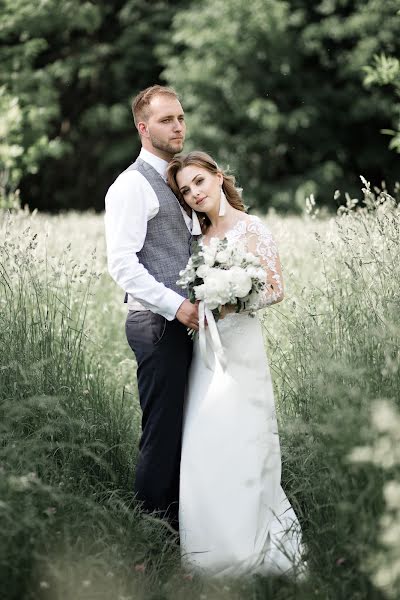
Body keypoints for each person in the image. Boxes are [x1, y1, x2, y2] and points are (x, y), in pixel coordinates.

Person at [167, 151, 304, 576]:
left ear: (217, 177)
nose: (194, 194)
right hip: (208, 352)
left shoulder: (251, 227)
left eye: (198, 182)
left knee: (246, 439)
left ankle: (253, 541)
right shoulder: (199, 241)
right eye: (186, 190)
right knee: (207, 440)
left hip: (243, 348)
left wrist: (235, 300)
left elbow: (277, 287)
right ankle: (210, 547)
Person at [104, 86, 200, 530]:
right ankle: (150, 533)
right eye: (166, 120)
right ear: (143, 128)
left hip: (188, 322)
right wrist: (176, 305)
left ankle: (184, 524)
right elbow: (122, 264)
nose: (178, 126)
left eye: (180, 117)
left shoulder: (181, 181)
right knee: (161, 432)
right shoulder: (130, 185)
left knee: (188, 429)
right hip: (156, 323)